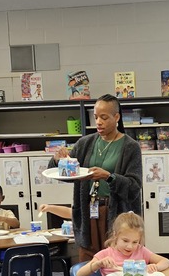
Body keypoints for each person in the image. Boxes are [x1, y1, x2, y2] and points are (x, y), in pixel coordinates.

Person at [50, 94, 142, 262]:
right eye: (96, 117)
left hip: (116, 213)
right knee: (89, 259)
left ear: (117, 117)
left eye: (104, 117)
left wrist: (109, 177)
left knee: (117, 259)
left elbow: (134, 187)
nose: (98, 122)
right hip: (88, 212)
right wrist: (58, 160)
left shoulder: (130, 147)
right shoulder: (85, 143)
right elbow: (59, 172)